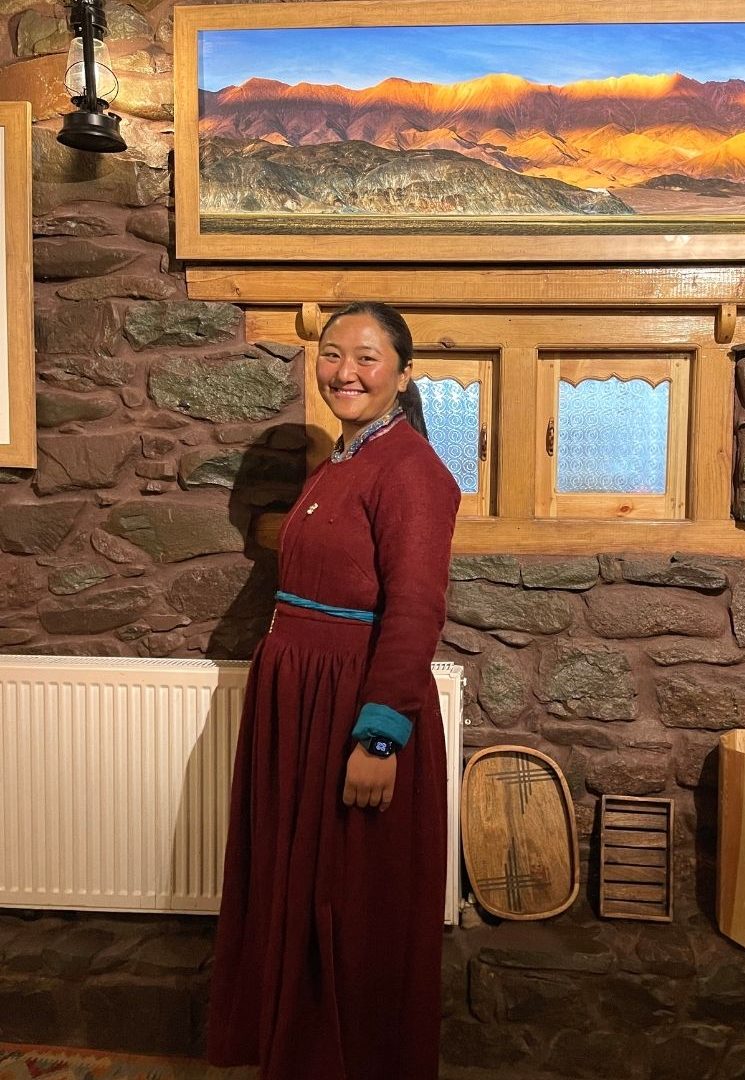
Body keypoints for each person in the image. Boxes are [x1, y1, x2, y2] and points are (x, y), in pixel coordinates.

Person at [208, 302, 460, 1080]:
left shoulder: (413, 472)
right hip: (301, 705)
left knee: (353, 902)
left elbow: (415, 611)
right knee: (297, 884)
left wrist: (379, 737)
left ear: (403, 374)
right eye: (330, 353)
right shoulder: (342, 462)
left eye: (366, 357)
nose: (344, 371)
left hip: (353, 708)